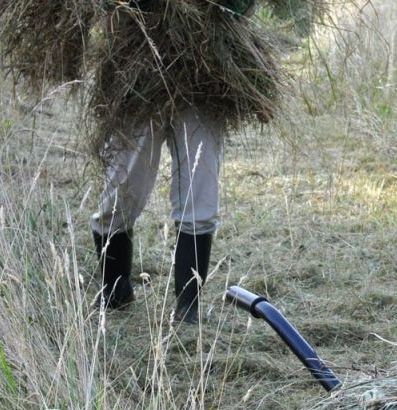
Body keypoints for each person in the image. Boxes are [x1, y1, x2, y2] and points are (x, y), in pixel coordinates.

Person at [89, 0, 267, 324]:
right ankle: (116, 292)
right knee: (121, 186)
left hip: (206, 69)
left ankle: (188, 309)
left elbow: (240, 6)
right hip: (136, 62)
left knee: (200, 190)